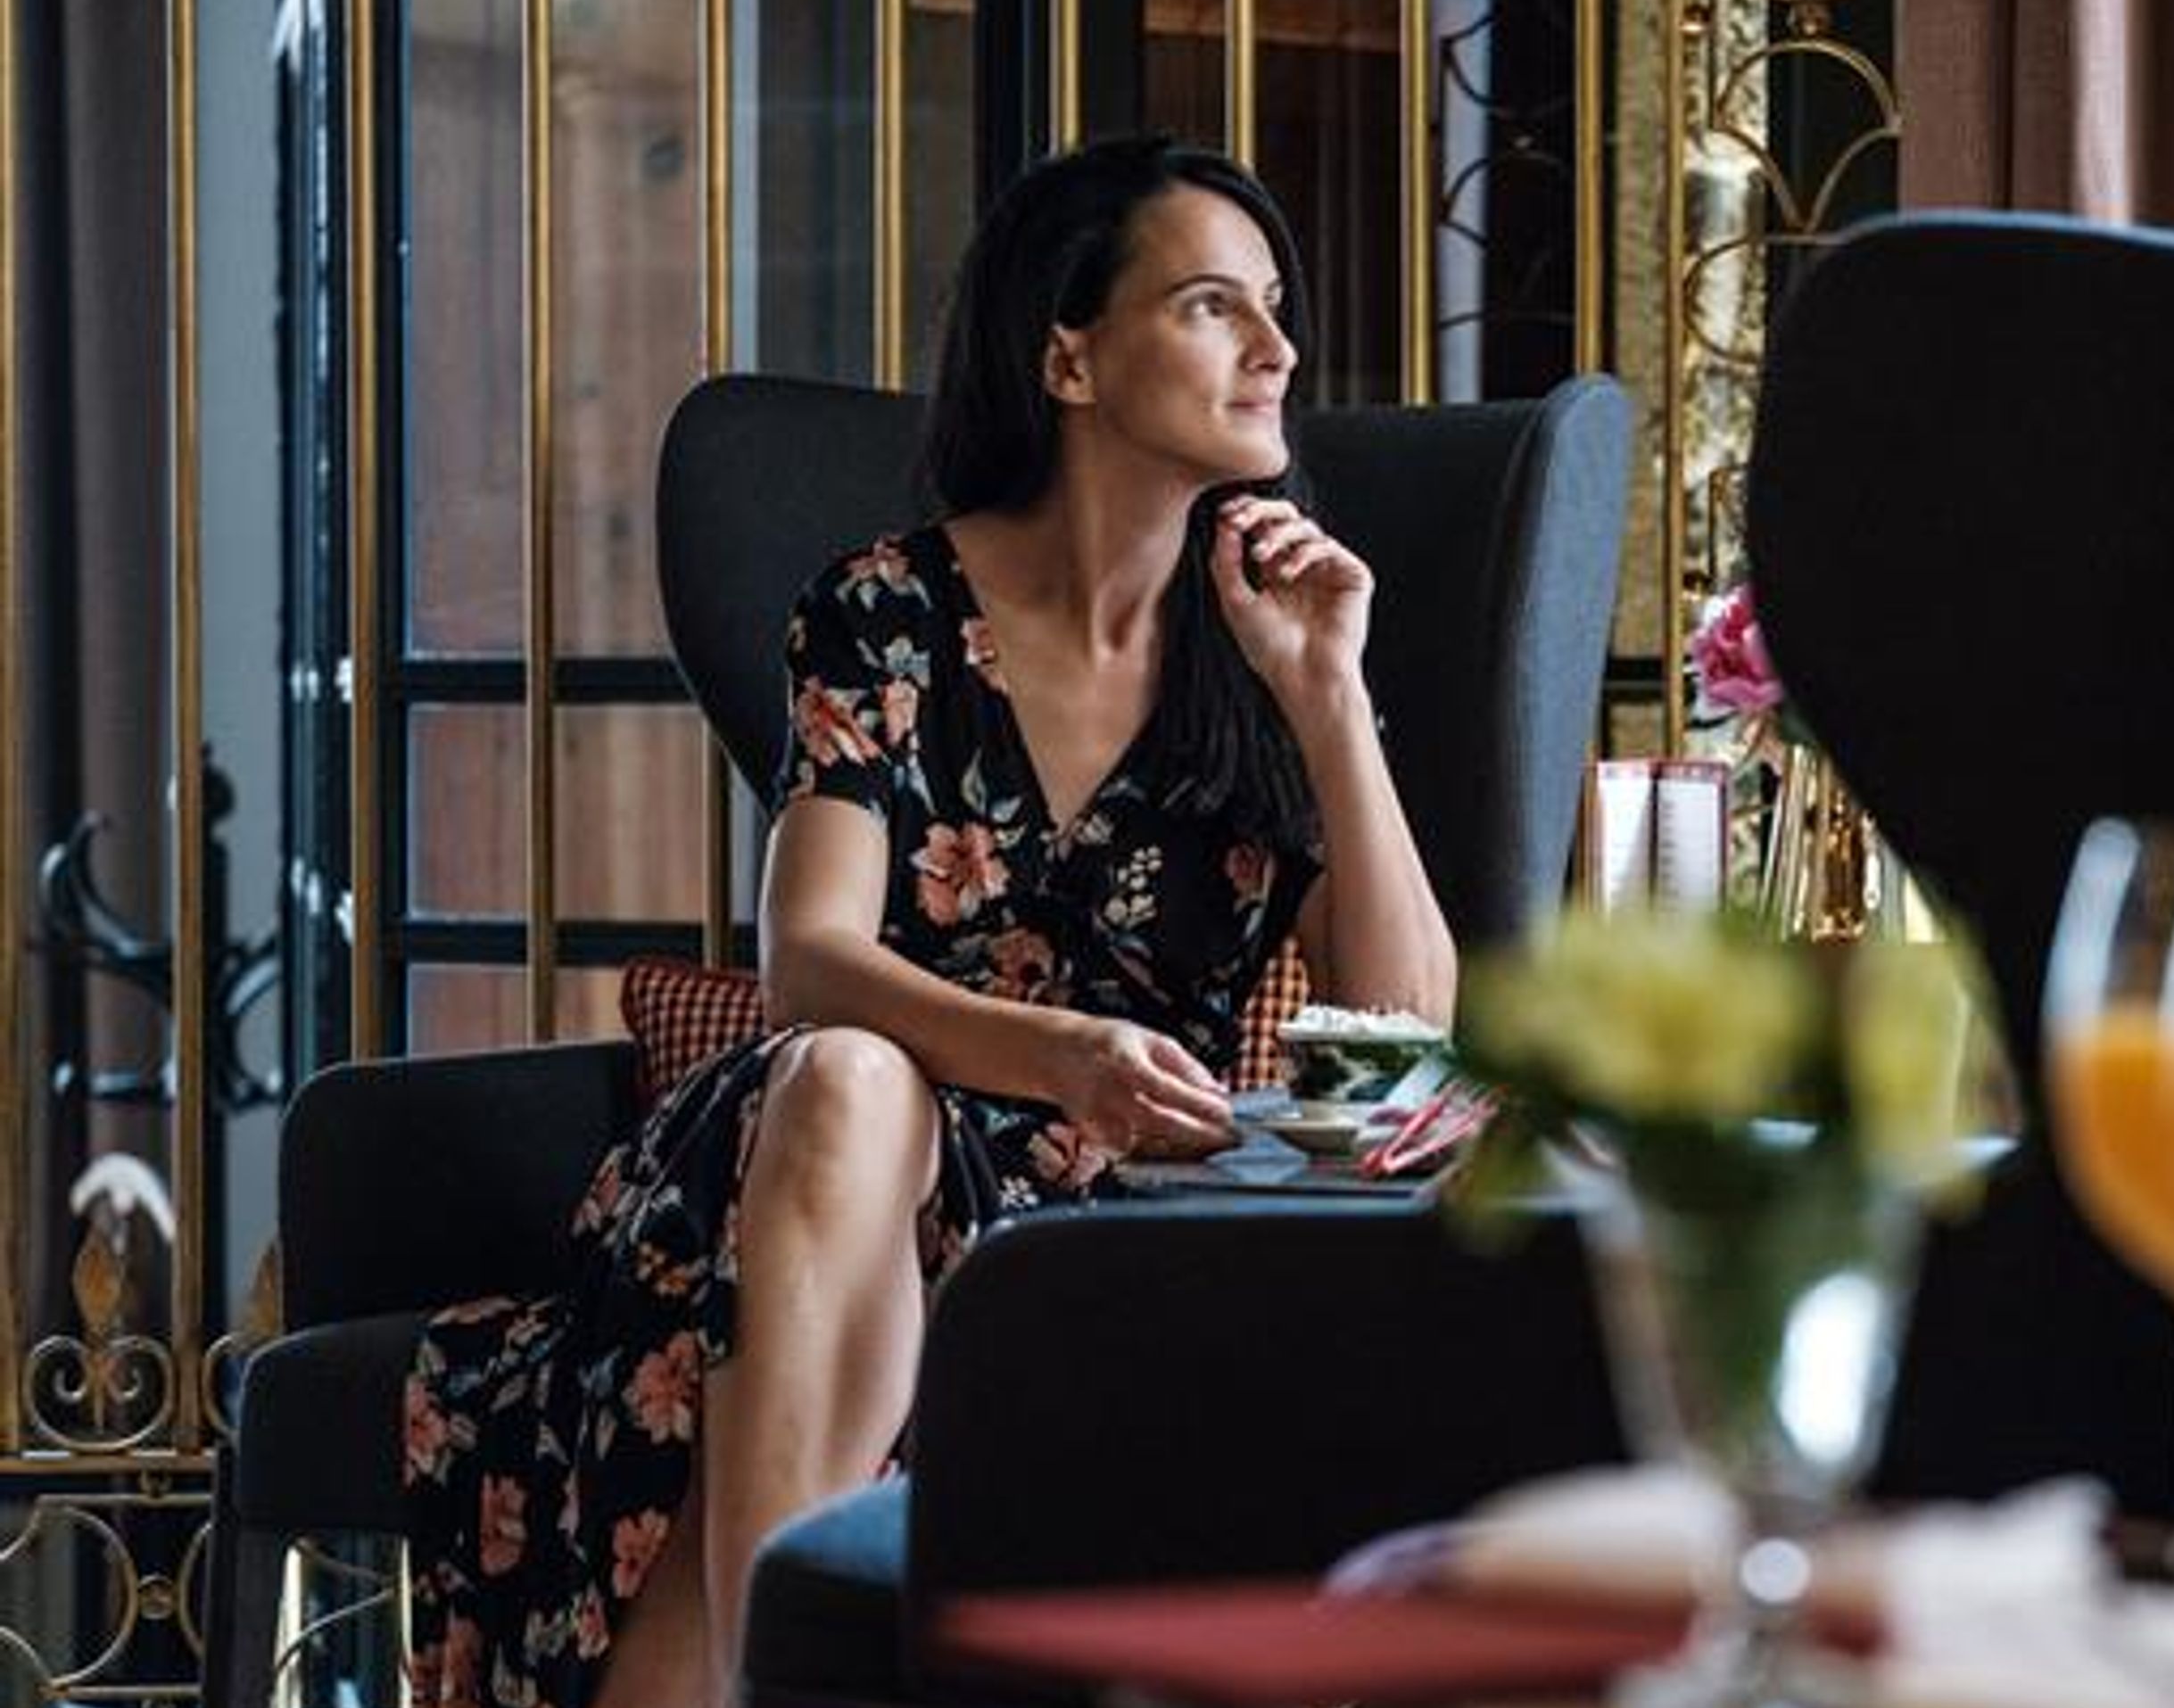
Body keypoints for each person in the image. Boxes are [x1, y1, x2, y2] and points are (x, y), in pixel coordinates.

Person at [400, 136, 1457, 1708]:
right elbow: (810, 961)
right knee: (850, 1080)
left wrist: (1330, 698)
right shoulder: (887, 608)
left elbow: (1410, 1027)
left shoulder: (1266, 646)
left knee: (726, 1471)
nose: (1279, 352)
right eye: (1215, 308)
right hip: (796, 1158)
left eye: (1278, 311)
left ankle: (764, 1676)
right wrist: (1060, 1055)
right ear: (1070, 355)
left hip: (1073, 1225)